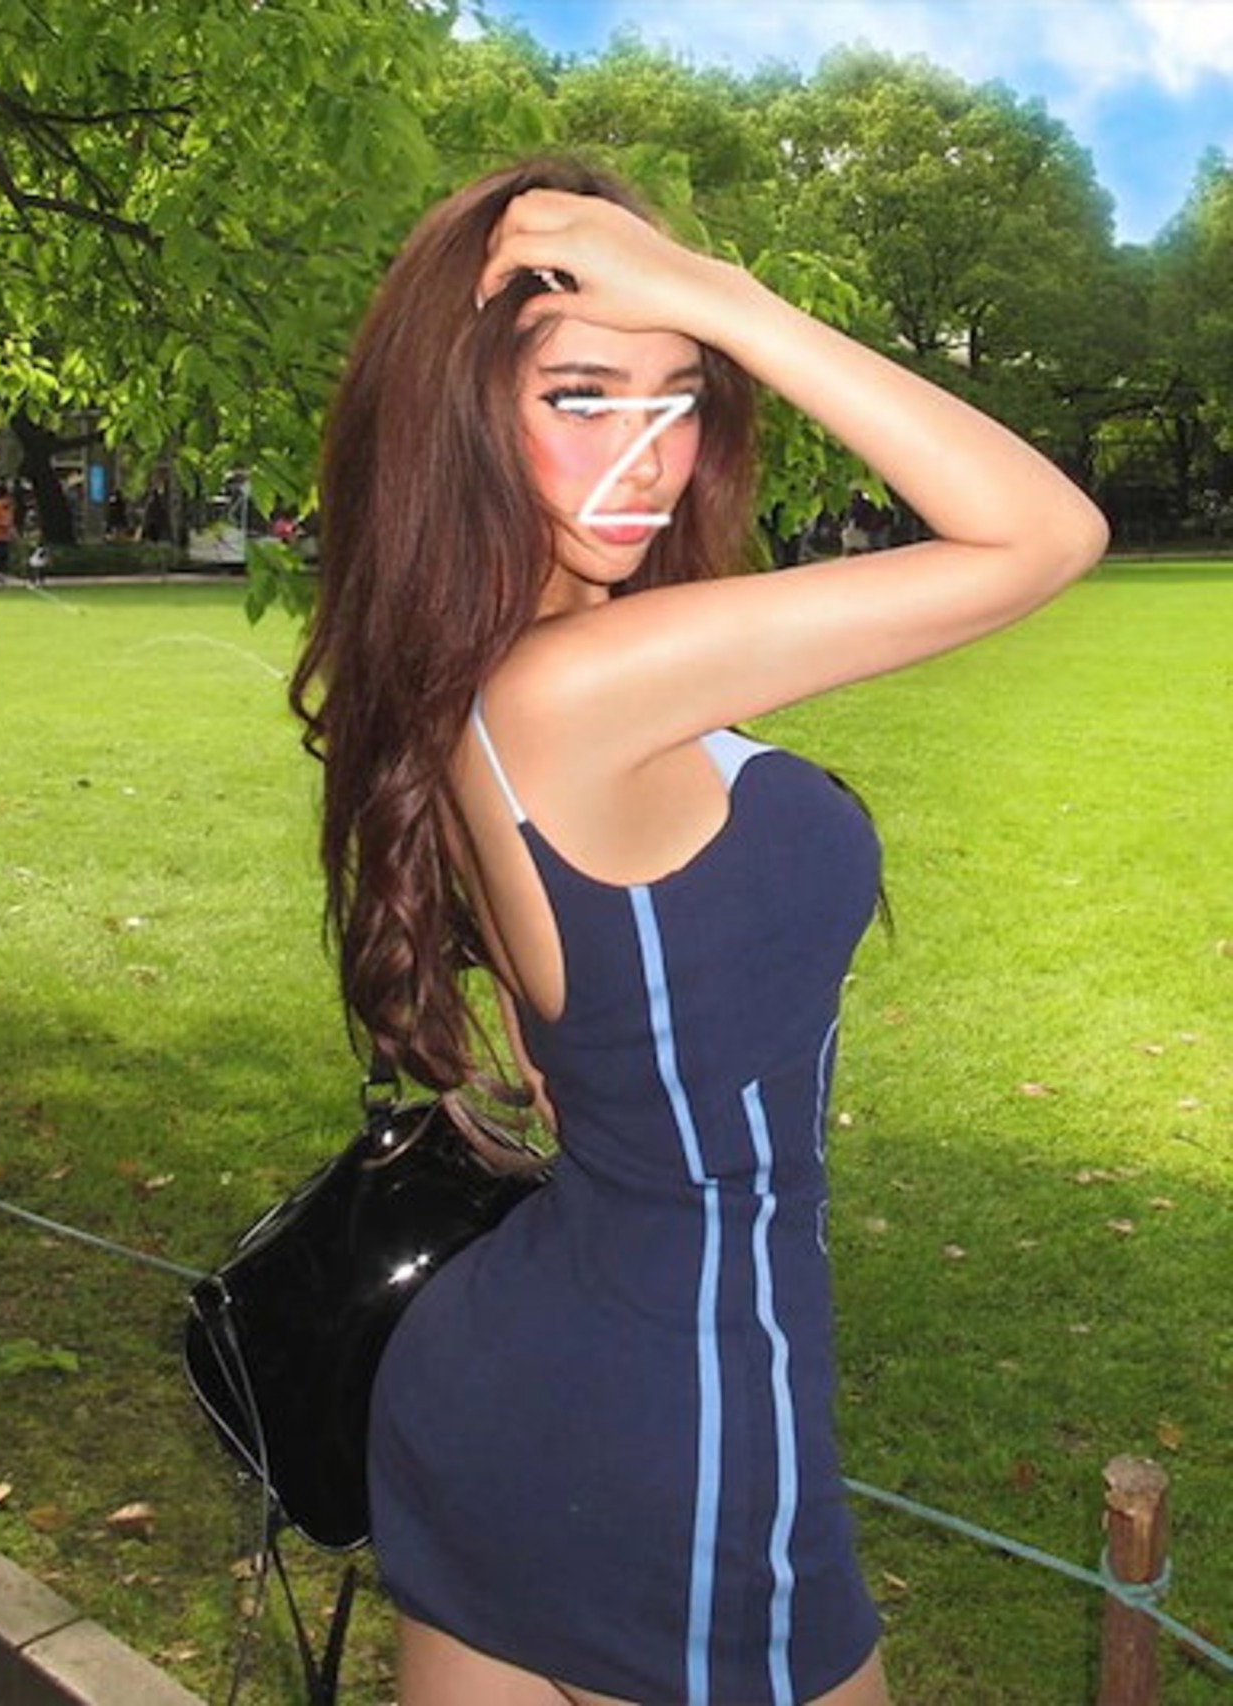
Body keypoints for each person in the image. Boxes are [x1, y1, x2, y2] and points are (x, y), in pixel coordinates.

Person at [289, 158, 1106, 1706]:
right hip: (689, 1423)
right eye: (582, 395)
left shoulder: (502, 669)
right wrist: (719, 298)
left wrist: (675, 306)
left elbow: (564, 1038)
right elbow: (1042, 534)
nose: (647, 451)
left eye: (680, 396)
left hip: (508, 1386)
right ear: (459, 416)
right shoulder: (566, 691)